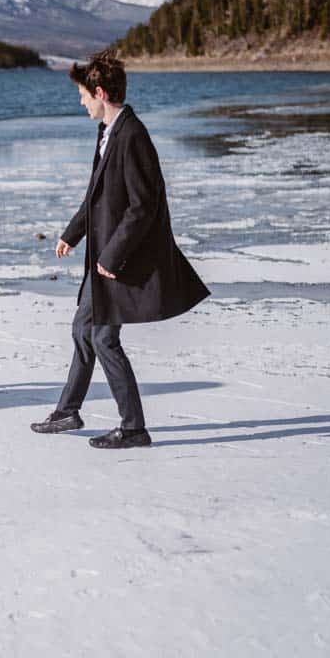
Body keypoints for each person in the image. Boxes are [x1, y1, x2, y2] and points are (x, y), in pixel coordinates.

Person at [31, 51, 209, 448]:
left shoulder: (133, 135)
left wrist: (113, 256)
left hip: (120, 260)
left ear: (100, 92)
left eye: (83, 95)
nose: (81, 103)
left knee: (103, 338)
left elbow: (143, 205)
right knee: (83, 329)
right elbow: (95, 195)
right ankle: (68, 411)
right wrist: (71, 233)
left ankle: (133, 428)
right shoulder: (108, 132)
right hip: (104, 257)